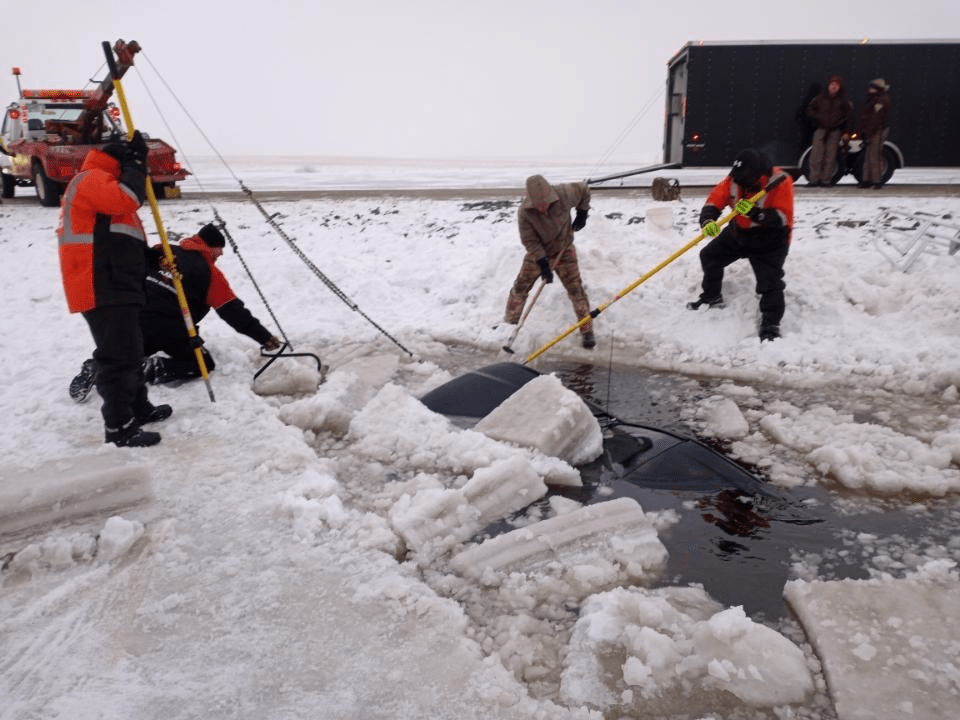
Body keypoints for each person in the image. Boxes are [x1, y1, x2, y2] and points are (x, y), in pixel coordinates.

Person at [70, 223, 281, 394]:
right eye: (220, 250)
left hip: (132, 315)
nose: (222, 254)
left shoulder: (163, 251)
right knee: (202, 363)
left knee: (127, 350)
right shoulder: (210, 274)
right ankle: (151, 369)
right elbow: (233, 312)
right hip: (170, 326)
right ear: (210, 246)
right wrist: (264, 337)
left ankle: (97, 365)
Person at [58, 131, 171, 447]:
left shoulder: (105, 187)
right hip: (101, 285)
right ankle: (119, 427)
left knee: (132, 352)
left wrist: (152, 258)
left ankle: (138, 408)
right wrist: (137, 165)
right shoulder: (91, 179)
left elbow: (118, 243)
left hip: (117, 283)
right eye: (133, 169)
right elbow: (127, 198)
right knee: (118, 357)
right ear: (120, 164)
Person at [686, 148, 795, 342]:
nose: (739, 183)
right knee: (709, 256)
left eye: (745, 180)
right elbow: (714, 200)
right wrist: (707, 220)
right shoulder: (733, 181)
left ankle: (771, 324)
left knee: (769, 283)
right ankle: (712, 297)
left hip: (770, 241)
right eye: (737, 178)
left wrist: (756, 213)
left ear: (758, 175)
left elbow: (782, 218)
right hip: (739, 233)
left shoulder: (780, 182)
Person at [504, 174, 595, 349]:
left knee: (576, 289)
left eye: (545, 203)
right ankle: (508, 326)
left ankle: (587, 332)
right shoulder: (525, 212)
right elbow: (530, 241)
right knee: (520, 287)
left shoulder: (564, 193)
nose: (542, 208)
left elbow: (584, 189)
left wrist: (582, 213)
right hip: (539, 253)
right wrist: (543, 263)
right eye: (538, 205)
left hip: (564, 249)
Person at [805, 75, 853, 186]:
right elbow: (810, 110)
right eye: (832, 84)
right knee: (816, 156)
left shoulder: (844, 100)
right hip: (821, 130)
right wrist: (817, 119)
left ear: (839, 87)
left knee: (830, 157)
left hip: (835, 131)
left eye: (836, 85)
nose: (834, 87)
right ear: (828, 85)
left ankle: (826, 180)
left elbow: (849, 116)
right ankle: (814, 180)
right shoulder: (820, 97)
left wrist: (846, 131)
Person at [856, 78, 892, 189]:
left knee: (875, 155)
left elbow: (876, 118)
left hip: (877, 131)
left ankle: (876, 180)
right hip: (870, 131)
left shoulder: (881, 99)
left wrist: (867, 133)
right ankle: (867, 179)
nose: (870, 88)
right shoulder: (874, 98)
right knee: (868, 156)